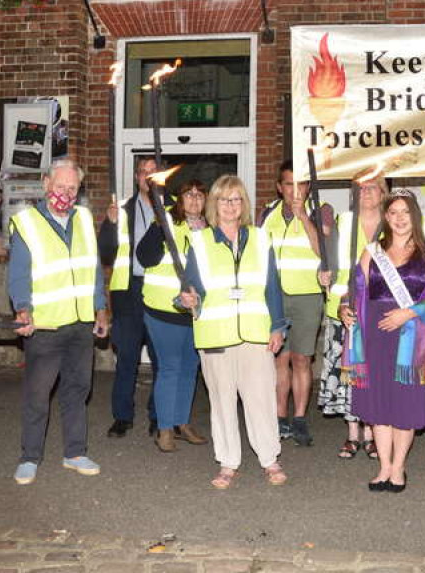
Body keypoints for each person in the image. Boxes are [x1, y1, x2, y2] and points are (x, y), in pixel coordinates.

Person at [179, 175, 289, 489]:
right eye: (224, 199)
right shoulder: (199, 243)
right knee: (222, 401)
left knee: (261, 400)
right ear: (214, 204)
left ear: (244, 204)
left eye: (237, 199)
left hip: (256, 334)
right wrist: (185, 299)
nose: (230, 205)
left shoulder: (261, 238)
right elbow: (190, 289)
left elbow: (273, 288)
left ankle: (269, 458)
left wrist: (277, 326)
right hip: (216, 336)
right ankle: (228, 462)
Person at [7, 159, 110, 485]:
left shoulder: (83, 218)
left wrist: (100, 308)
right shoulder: (26, 222)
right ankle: (29, 457)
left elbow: (93, 268)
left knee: (78, 390)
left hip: (80, 323)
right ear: (46, 184)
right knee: (38, 394)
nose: (65, 193)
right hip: (46, 326)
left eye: (72, 188)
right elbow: (19, 273)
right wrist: (22, 309)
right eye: (60, 186)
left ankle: (75, 453)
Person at [341, 190, 425, 493]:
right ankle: (384, 466)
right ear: (386, 217)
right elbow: (355, 291)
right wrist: (344, 308)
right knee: (379, 405)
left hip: (410, 339)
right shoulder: (371, 251)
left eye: (405, 212)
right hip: (374, 336)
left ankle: (399, 467)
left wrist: (409, 313)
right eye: (393, 213)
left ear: (414, 215)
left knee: (404, 403)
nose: (399, 219)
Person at [259, 160, 333, 446]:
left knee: (302, 359)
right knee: (280, 358)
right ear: (280, 187)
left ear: (308, 186)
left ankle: (300, 418)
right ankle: (280, 418)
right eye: (288, 184)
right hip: (274, 297)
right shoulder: (268, 213)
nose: (294, 191)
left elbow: (323, 251)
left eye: (299, 183)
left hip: (307, 296)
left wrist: (303, 217)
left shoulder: (321, 211)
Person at [136, 179, 209, 451]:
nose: (194, 199)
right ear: (179, 199)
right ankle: (165, 428)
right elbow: (144, 256)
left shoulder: (209, 230)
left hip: (194, 313)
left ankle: (181, 422)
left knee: (190, 368)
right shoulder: (166, 224)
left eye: (199, 194)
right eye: (188, 194)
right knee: (169, 368)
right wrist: (159, 228)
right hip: (163, 310)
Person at [318, 170, 387, 460]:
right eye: (361, 188)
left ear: (383, 192)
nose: (366, 193)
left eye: (372, 188)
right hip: (344, 309)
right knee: (348, 372)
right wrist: (322, 274)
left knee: (373, 373)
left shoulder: (392, 224)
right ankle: (352, 434)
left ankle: (372, 433)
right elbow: (329, 261)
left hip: (380, 309)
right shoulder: (343, 223)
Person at [97, 157, 160, 439]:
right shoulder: (120, 209)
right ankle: (122, 417)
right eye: (143, 172)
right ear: (137, 177)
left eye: (152, 172)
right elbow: (106, 254)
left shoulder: (173, 209)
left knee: (162, 359)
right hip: (128, 294)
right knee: (126, 359)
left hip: (161, 292)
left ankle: (159, 416)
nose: (147, 177)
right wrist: (110, 226)